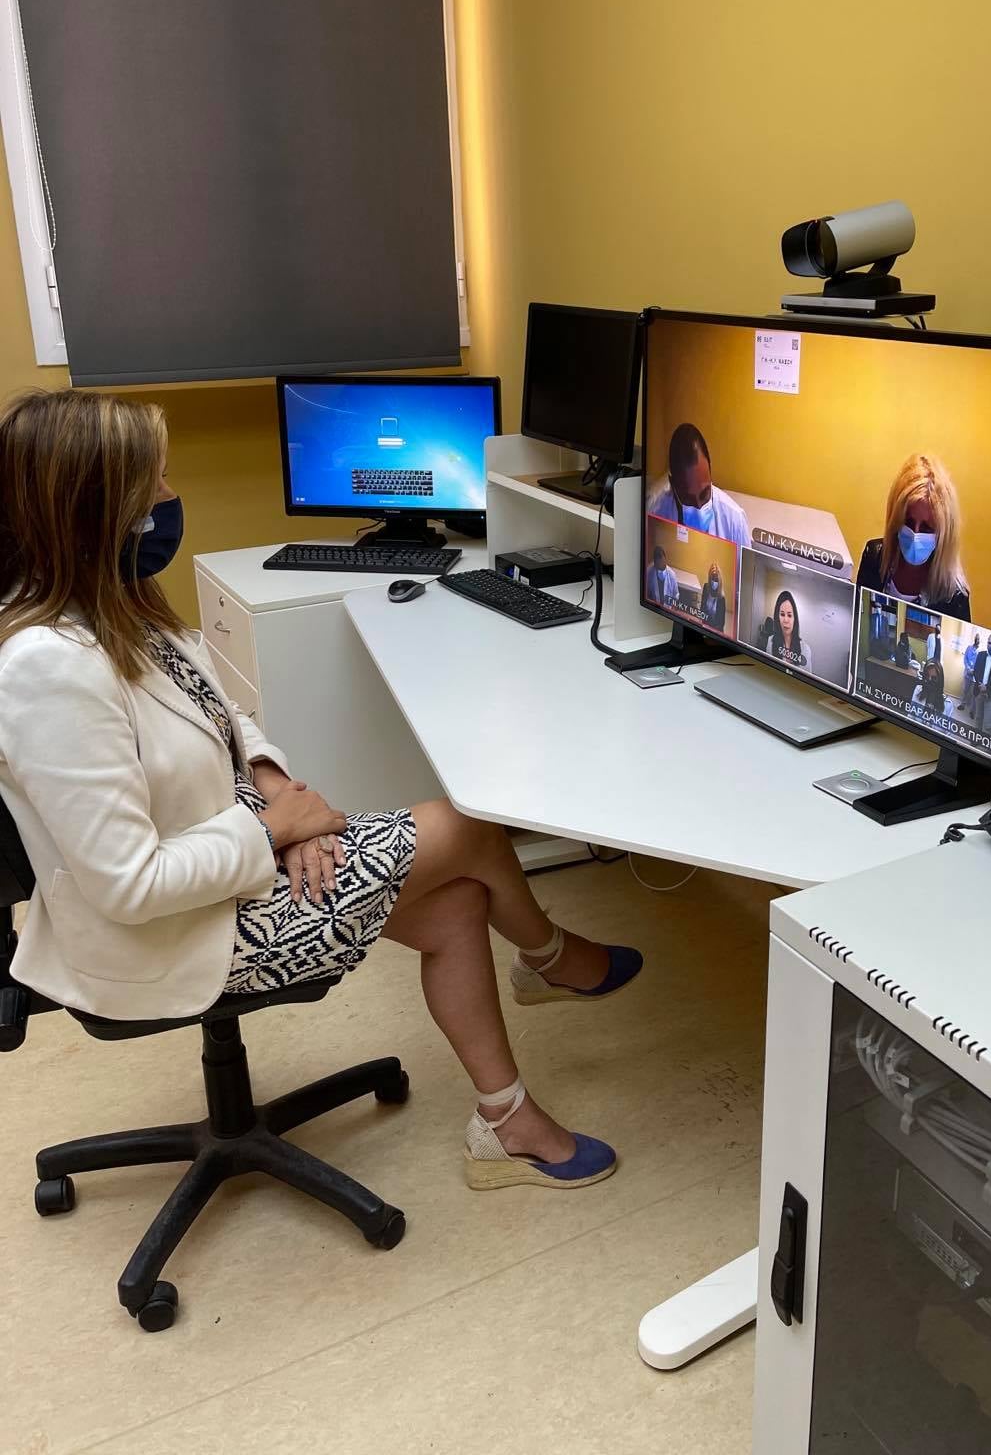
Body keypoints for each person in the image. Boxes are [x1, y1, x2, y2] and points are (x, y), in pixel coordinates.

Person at [0, 390, 644, 1195]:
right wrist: (275, 832)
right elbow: (129, 886)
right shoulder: (47, 668)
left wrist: (278, 791)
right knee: (468, 828)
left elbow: (222, 713)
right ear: (95, 511)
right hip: (179, 931)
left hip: (230, 855)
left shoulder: (118, 608)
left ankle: (506, 1118)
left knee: (456, 904)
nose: (169, 496)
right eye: (151, 483)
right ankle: (550, 958)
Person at [856, 453, 970, 618]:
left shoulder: (954, 594)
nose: (915, 534)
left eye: (926, 527)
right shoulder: (875, 557)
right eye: (908, 522)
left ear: (943, 533)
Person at [647, 423, 751, 547]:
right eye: (688, 499)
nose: (699, 508)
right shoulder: (657, 513)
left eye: (704, 494)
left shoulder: (735, 521)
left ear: (710, 472)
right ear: (673, 485)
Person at [760, 590, 813, 674]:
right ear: (777, 617)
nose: (785, 620)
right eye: (782, 614)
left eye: (789, 615)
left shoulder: (805, 650)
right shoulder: (770, 641)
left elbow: (807, 678)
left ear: (794, 619)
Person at [645, 544, 680, 608]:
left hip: (667, 609)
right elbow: (646, 593)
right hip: (653, 607)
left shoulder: (672, 575)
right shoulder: (649, 572)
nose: (660, 567)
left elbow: (676, 595)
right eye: (658, 565)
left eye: (662, 564)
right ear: (655, 563)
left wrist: (673, 606)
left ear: (665, 559)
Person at [701, 561, 727, 631]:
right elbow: (702, 608)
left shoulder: (722, 598)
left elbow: (721, 623)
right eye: (712, 578)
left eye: (716, 579)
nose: (714, 582)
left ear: (720, 581)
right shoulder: (706, 587)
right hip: (705, 625)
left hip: (715, 629)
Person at [961, 632, 980, 716]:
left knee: (974, 694)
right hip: (967, 672)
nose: (977, 640)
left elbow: (980, 664)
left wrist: (974, 671)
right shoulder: (969, 648)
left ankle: (972, 711)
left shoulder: (980, 652)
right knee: (965, 690)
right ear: (974, 639)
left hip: (975, 676)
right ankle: (962, 704)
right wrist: (968, 668)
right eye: (976, 639)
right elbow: (965, 658)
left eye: (978, 639)